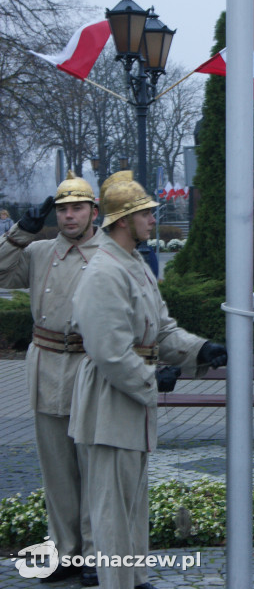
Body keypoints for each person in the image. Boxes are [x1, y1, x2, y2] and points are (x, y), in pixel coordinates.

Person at [69, 172, 227, 589]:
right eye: (146, 213)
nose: (153, 219)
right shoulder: (104, 271)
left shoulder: (132, 263)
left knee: (132, 502)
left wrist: (200, 349)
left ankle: (133, 578)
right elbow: (108, 351)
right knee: (111, 507)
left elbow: (162, 329)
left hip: (130, 398)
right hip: (110, 399)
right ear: (124, 220)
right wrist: (151, 378)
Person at [0, 173, 100, 586]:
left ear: (94, 211)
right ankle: (66, 553)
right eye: (62, 209)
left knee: (94, 467)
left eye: (77, 207)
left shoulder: (109, 253)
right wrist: (20, 232)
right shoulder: (40, 251)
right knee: (56, 471)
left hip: (91, 367)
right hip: (45, 366)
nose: (69, 215)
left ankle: (97, 555)